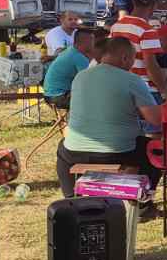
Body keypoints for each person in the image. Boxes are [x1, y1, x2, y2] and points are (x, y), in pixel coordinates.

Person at [56, 37, 161, 200]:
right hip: (118, 152)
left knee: (62, 150)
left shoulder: (81, 77)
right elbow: (155, 119)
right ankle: (143, 202)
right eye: (132, 60)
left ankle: (70, 197)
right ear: (125, 58)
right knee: (155, 151)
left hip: (75, 152)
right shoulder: (132, 80)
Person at [110, 0, 167, 95]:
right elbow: (151, 67)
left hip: (120, 85)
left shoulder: (116, 26)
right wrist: (163, 89)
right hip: (144, 89)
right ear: (153, 5)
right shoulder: (147, 30)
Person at [43, 27, 95, 108]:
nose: (94, 43)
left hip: (51, 95)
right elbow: (90, 80)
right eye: (92, 40)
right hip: (59, 97)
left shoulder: (71, 50)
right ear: (85, 42)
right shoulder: (78, 57)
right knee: (97, 97)